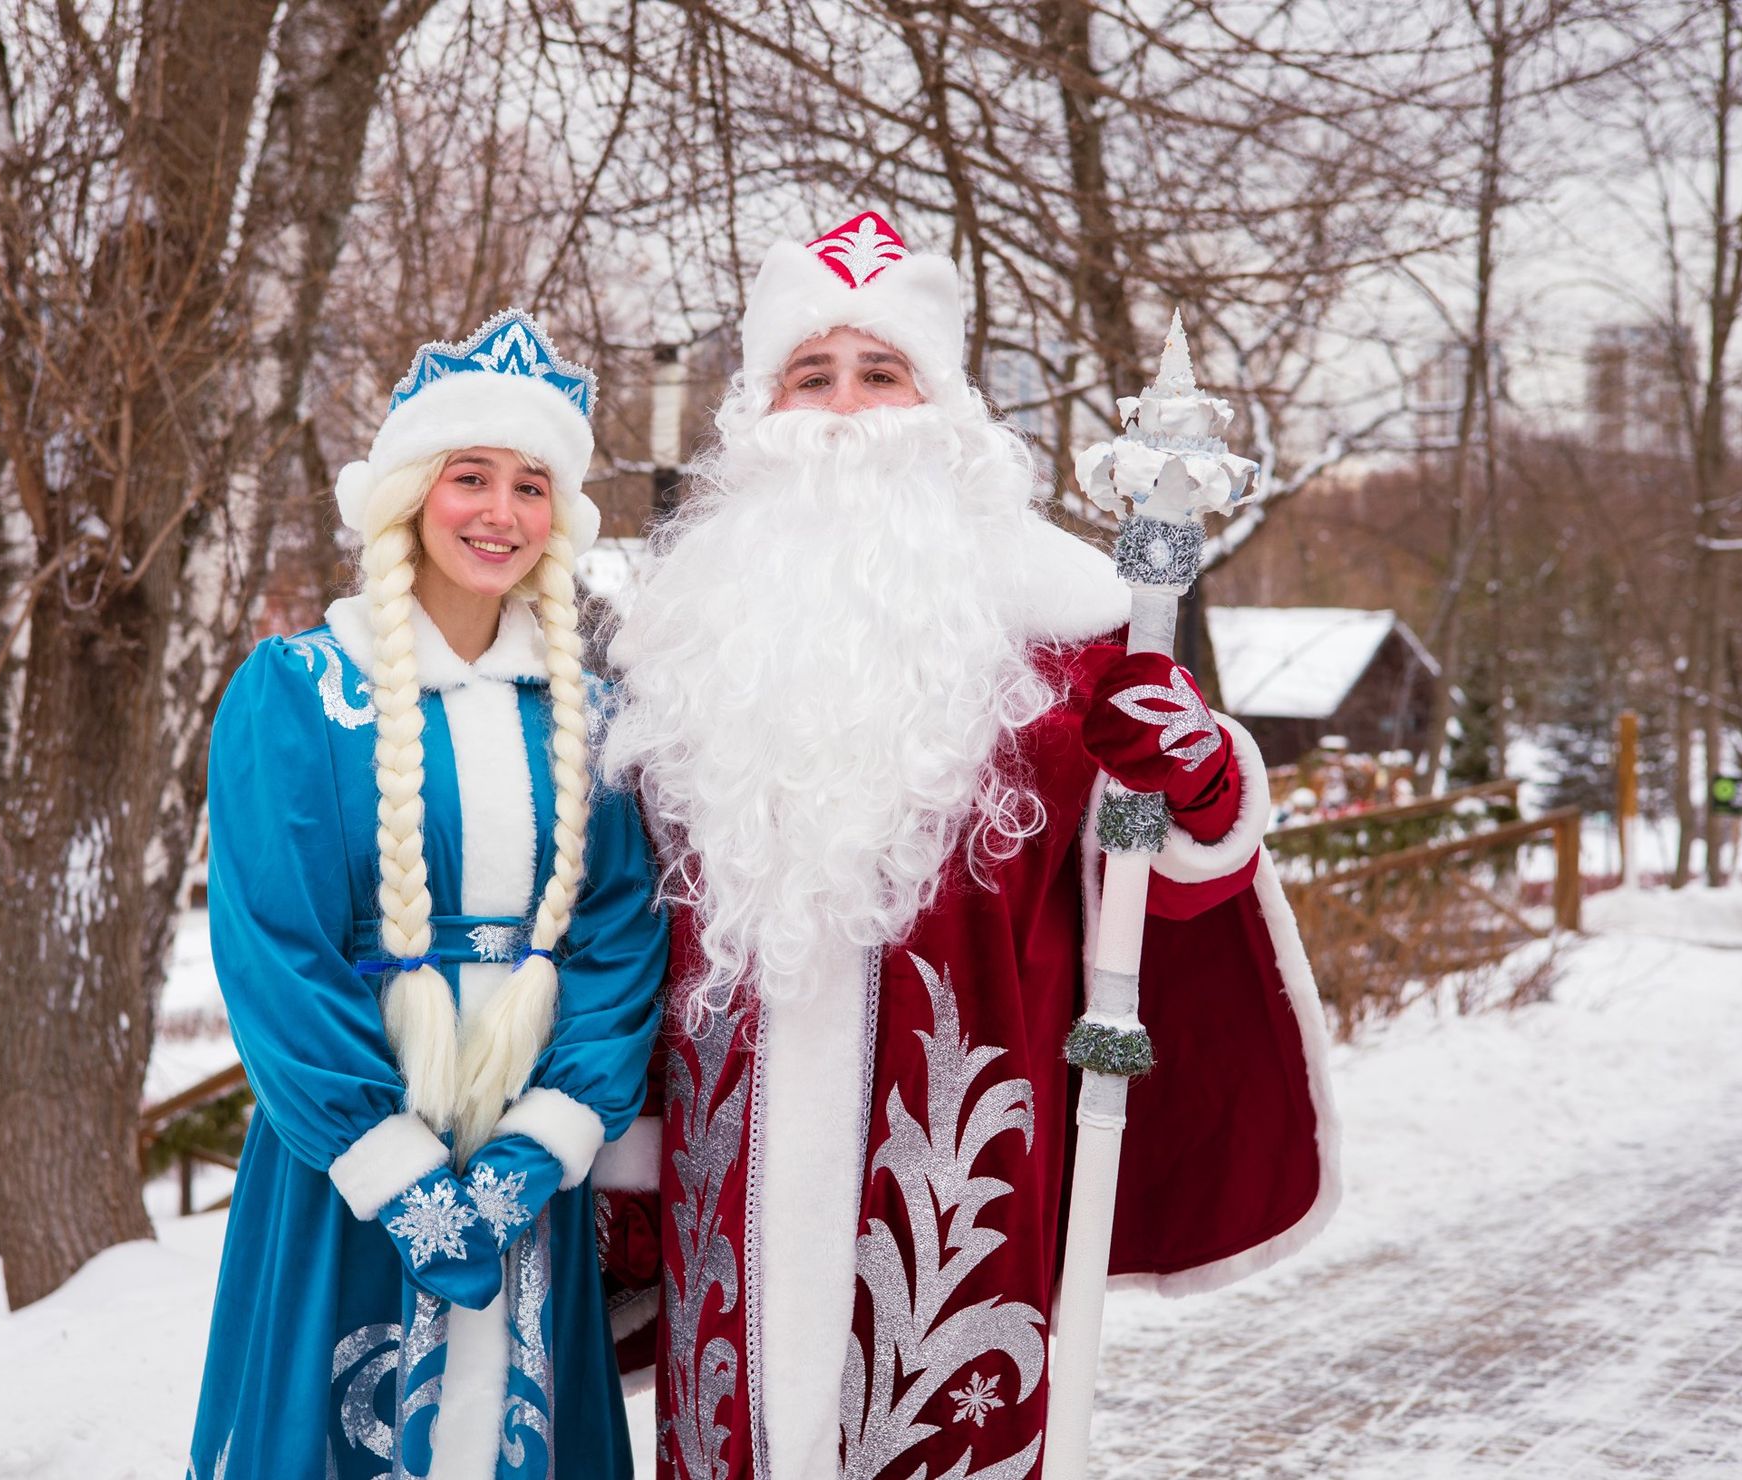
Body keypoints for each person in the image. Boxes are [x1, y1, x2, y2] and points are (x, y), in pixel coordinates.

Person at [600, 213, 1339, 1480]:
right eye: (812, 376)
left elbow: (1155, 881)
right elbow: (618, 916)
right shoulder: (683, 638)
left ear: (943, 405)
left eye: (880, 374)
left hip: (960, 1180)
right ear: (761, 410)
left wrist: (1205, 784)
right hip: (727, 1187)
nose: (846, 409)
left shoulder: (1071, 632)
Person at [188, 309, 668, 1480]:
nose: (500, 513)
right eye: (471, 478)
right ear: (412, 490)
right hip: (347, 1170)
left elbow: (617, 940)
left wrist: (539, 1150)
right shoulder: (296, 691)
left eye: (530, 485)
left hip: (524, 1177)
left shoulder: (588, 719)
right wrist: (401, 1178)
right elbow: (275, 954)